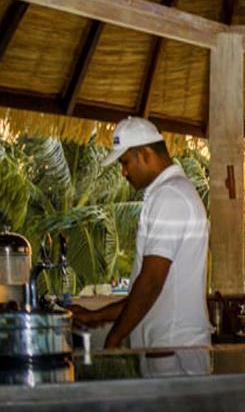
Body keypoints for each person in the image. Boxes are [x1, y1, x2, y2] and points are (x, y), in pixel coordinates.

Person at [69, 117, 211, 350]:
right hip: (168, 347)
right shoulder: (170, 192)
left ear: (145, 153)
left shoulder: (170, 196)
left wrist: (114, 337)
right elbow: (148, 293)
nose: (124, 172)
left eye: (125, 162)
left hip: (174, 348)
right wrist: (96, 316)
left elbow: (151, 282)